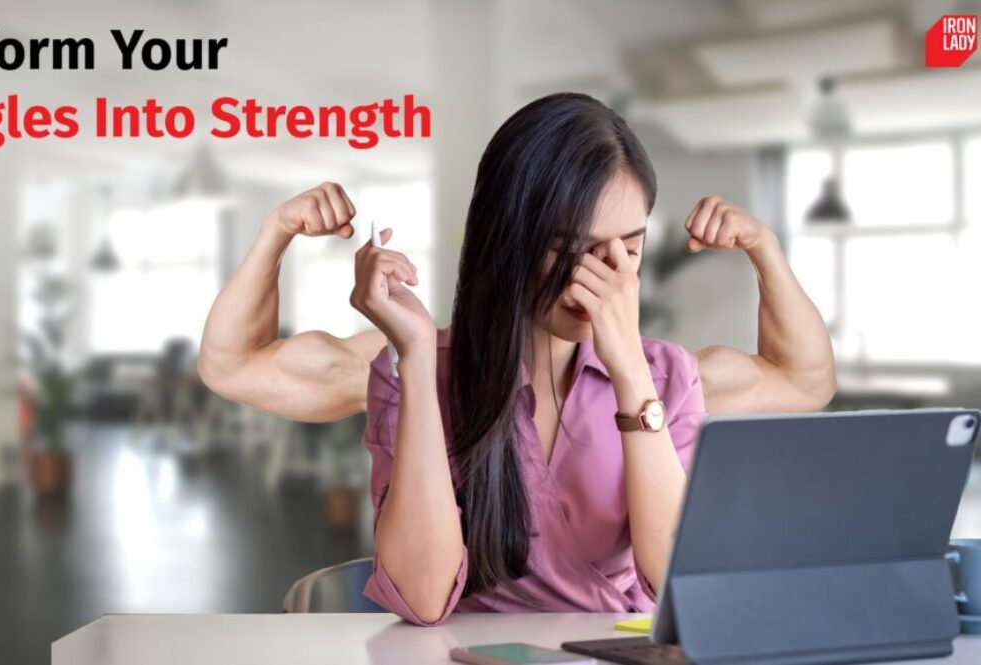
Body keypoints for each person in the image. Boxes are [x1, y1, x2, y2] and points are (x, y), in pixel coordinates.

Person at [201, 94, 834, 626]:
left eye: (631, 249)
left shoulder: (666, 375)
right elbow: (233, 363)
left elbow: (677, 579)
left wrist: (763, 253)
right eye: (574, 250)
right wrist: (278, 236)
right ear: (512, 241)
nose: (608, 278)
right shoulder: (424, 370)